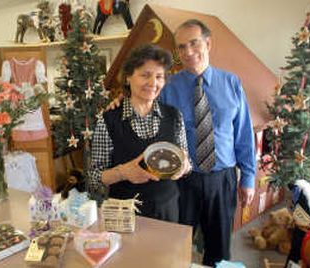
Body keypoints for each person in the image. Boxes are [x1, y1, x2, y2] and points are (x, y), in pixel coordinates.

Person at [159, 19, 256, 266]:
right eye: (181, 47)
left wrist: (248, 178)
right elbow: (149, 118)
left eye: (194, 43)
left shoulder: (232, 83)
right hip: (183, 181)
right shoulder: (168, 87)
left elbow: (243, 134)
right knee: (176, 244)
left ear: (208, 43)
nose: (188, 52)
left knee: (220, 249)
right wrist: (118, 103)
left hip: (221, 180)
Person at [88, 44, 191, 223]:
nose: (153, 83)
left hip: (168, 209)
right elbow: (94, 178)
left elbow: (186, 162)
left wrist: (185, 167)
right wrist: (122, 172)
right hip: (124, 213)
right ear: (128, 77)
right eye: (145, 75)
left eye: (159, 76)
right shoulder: (109, 120)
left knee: (166, 252)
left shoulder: (174, 116)